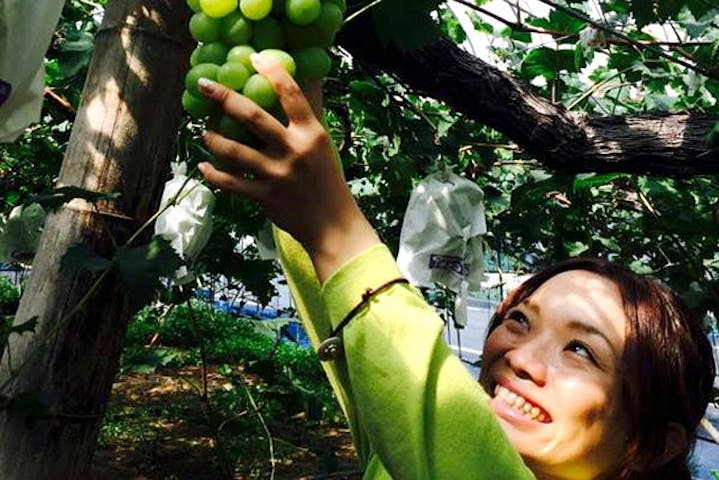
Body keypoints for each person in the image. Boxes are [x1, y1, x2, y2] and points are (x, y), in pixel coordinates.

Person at [194, 55, 717, 479]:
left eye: (581, 349)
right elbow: (359, 337)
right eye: (519, 320)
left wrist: (334, 227)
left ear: (651, 445)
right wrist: (287, 135)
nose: (520, 358)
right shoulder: (406, 454)